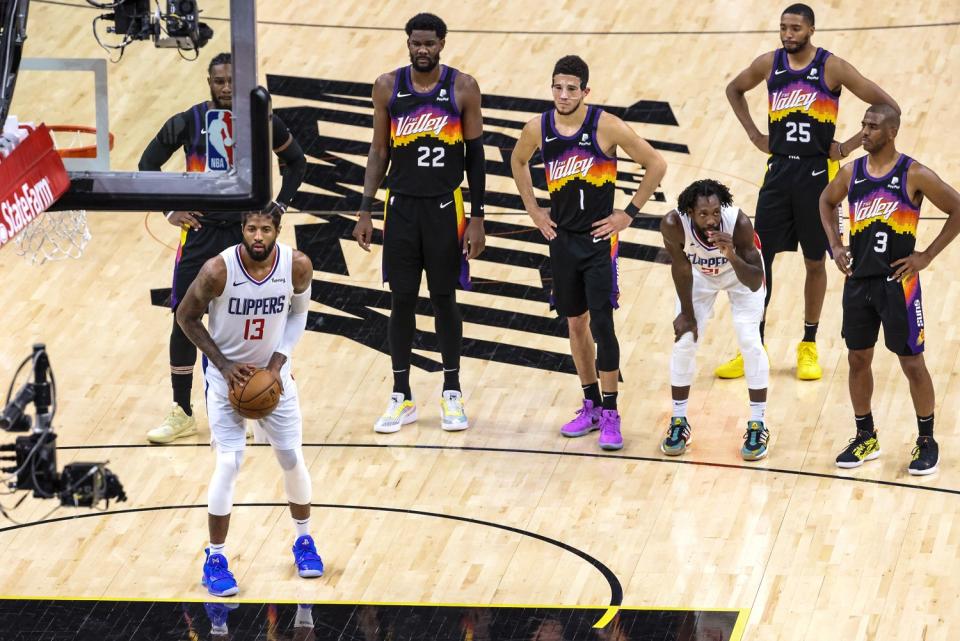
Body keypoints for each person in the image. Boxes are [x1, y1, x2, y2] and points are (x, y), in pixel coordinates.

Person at [720, 2, 899, 380]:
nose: (788, 34)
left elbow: (886, 105)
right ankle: (754, 345)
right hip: (779, 171)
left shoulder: (831, 66)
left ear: (811, 30)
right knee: (759, 260)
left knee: (815, 262)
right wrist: (755, 134)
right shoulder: (768, 63)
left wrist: (849, 146)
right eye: (784, 27)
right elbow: (734, 89)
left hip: (818, 174)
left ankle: (808, 343)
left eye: (796, 28)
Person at [142, 52, 307, 444]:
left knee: (256, 318)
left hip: (246, 234)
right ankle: (182, 411)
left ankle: (256, 397)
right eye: (219, 81)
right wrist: (170, 208)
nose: (227, 88)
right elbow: (147, 164)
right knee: (185, 318)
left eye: (233, 81)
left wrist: (279, 206)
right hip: (200, 234)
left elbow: (297, 163)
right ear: (209, 83)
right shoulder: (189, 120)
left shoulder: (262, 120)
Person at [511, 55, 667, 450]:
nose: (563, 95)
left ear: (585, 91)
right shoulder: (538, 128)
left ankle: (612, 413)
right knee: (575, 325)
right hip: (562, 241)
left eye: (571, 89)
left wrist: (628, 214)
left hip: (599, 242)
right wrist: (534, 210)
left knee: (602, 325)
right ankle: (592, 403)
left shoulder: (605, 126)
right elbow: (518, 160)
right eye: (557, 87)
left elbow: (656, 164)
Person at [176, 208, 322, 596]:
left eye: (266, 229)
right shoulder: (216, 271)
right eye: (252, 229)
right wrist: (222, 365)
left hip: (273, 377)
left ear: (278, 231)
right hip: (226, 380)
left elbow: (298, 315)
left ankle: (304, 541)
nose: (258, 236)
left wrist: (279, 361)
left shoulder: (298, 266)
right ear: (242, 230)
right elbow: (186, 317)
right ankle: (216, 558)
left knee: (291, 457)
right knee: (228, 461)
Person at [352, 13, 486, 433]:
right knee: (402, 300)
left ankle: (451, 391)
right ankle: (401, 395)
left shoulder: (462, 87)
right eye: (416, 43)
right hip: (402, 207)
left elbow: (476, 157)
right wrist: (365, 208)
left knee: (444, 299)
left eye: (429, 43)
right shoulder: (387, 87)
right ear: (407, 43)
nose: (422, 49)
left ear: (442, 43)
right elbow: (379, 150)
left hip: (447, 207)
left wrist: (479, 217)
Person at [819, 104, 960, 475]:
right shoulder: (852, 173)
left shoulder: (913, 173)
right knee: (857, 359)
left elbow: (958, 208)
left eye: (873, 126)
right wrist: (835, 245)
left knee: (912, 363)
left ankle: (927, 440)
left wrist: (926, 255)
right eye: (863, 125)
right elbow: (826, 200)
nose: (864, 132)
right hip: (859, 283)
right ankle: (866, 435)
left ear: (892, 131)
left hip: (900, 284)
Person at [660, 180, 770, 460]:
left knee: (749, 339)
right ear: (689, 212)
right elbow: (681, 267)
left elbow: (755, 282)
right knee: (685, 341)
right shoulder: (673, 224)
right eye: (703, 214)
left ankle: (758, 423)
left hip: (740, 276)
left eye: (715, 212)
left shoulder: (739, 223)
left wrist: (731, 254)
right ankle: (678, 421)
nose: (711, 220)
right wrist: (687, 314)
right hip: (699, 276)